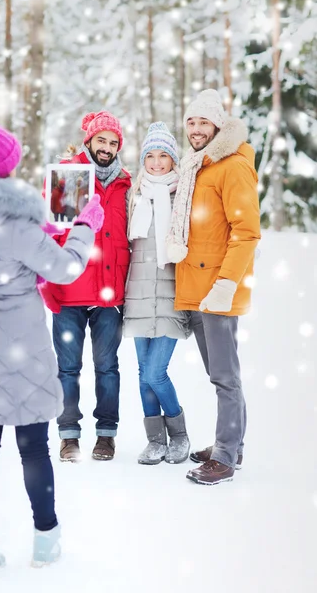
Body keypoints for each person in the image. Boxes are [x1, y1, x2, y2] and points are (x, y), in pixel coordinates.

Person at [0, 120, 104, 574]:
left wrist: (35, 233)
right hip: (21, 346)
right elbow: (66, 268)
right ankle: (46, 541)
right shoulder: (16, 224)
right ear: (2, 168)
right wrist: (84, 225)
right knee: (33, 447)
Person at [166, 89, 261, 485]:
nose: (196, 128)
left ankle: (224, 455)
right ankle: (232, 444)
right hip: (198, 287)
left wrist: (225, 283)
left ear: (218, 125)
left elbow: (247, 232)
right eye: (191, 121)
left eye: (204, 122)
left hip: (217, 289)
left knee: (225, 376)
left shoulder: (231, 166)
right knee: (220, 374)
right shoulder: (196, 166)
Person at [39, 111, 132, 462]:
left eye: (113, 142)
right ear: (89, 140)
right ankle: (68, 435)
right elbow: (51, 233)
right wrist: (47, 278)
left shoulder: (125, 183)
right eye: (101, 140)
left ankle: (106, 436)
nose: (106, 147)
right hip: (70, 291)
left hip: (109, 293)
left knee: (108, 367)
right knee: (67, 367)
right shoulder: (68, 175)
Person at [124, 122, 192, 465]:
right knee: (142, 374)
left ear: (172, 159)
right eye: (149, 155)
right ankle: (155, 441)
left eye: (162, 155)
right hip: (136, 296)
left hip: (170, 295)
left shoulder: (183, 195)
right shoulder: (135, 196)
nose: (155, 162)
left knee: (155, 372)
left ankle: (179, 435)